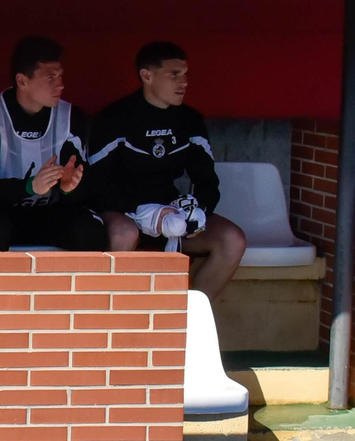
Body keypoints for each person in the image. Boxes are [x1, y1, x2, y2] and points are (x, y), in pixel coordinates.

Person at [88, 41, 246, 299]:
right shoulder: (115, 118)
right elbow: (97, 184)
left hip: (171, 216)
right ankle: (114, 321)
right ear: (146, 76)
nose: (183, 82)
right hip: (123, 211)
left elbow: (206, 179)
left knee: (233, 240)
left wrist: (198, 213)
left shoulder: (190, 119)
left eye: (185, 74)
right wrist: (144, 214)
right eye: (174, 75)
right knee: (124, 232)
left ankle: (189, 322)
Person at [0, 37, 106, 253]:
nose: (61, 85)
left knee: (89, 228)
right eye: (50, 77)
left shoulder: (70, 116)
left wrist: (69, 188)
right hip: (2, 214)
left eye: (60, 76)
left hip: (50, 213)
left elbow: (86, 191)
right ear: (22, 81)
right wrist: (29, 187)